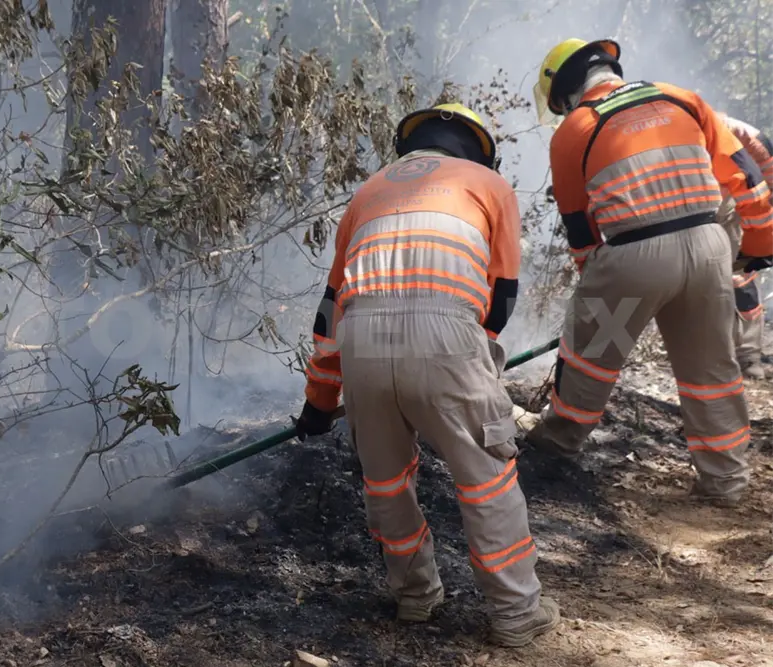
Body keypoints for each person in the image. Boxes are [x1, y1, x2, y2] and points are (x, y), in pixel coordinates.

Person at [293, 103, 560, 647]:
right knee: (486, 476)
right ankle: (514, 614)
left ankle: (415, 598)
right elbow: (501, 293)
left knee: (387, 482)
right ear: (476, 147)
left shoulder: (366, 192)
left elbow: (330, 307)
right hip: (446, 333)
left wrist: (320, 401)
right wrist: (472, 355)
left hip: (362, 341)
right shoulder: (487, 183)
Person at [521, 38, 773, 507]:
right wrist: (756, 250)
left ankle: (559, 443)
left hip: (633, 259)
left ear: (569, 90)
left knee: (590, 357)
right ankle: (726, 481)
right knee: (712, 370)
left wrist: (596, 285)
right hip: (708, 247)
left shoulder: (575, 129)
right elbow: (747, 178)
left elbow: (580, 226)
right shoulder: (682, 97)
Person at [716, 112, 772, 379]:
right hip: (705, 206)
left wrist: (762, 241)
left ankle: (748, 357)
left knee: (739, 275)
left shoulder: (746, 138)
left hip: (732, 205)